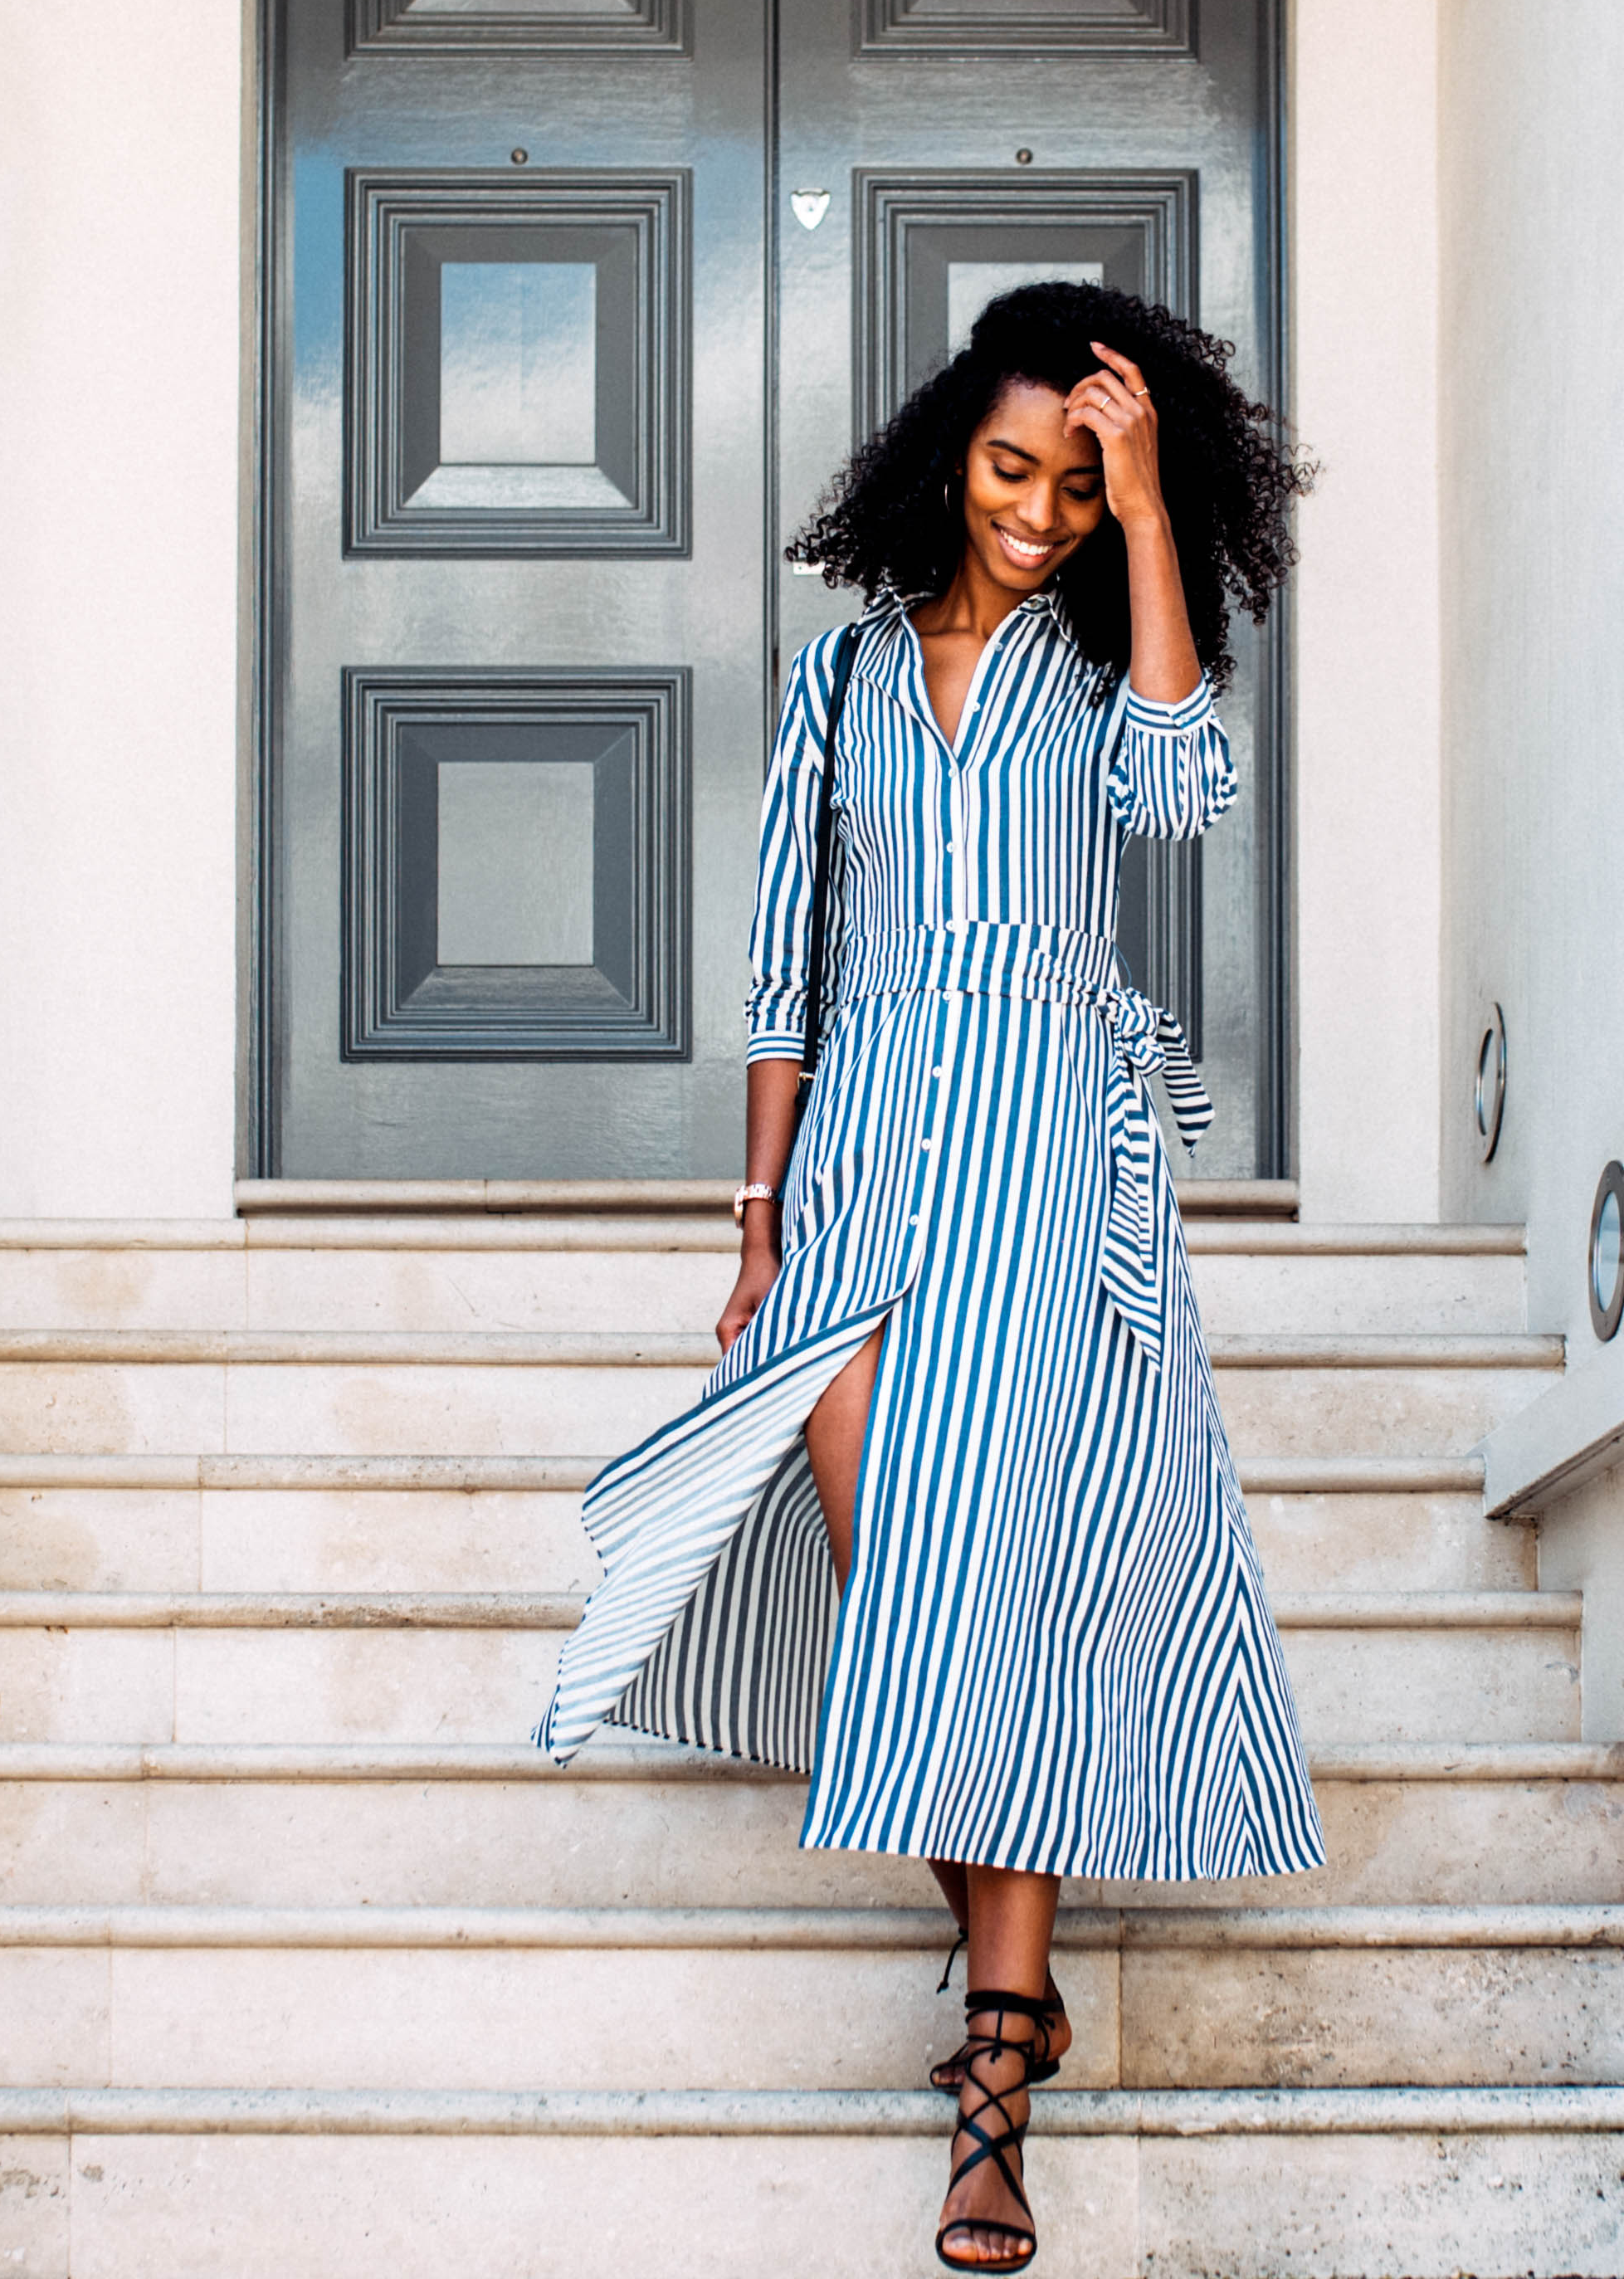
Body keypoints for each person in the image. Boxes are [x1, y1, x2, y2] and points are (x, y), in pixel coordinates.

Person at [534, 280, 1319, 2275]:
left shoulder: (1099, 660)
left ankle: (989, 2099)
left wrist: (1154, 511)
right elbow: (778, 966)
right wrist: (755, 1219)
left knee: (1003, 1589)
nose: (1037, 513)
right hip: (871, 1150)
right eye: (1012, 469)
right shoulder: (838, 682)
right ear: (942, 452)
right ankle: (1012, 1984)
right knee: (904, 1567)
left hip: (1052, 1148)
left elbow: (1184, 792)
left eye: (1078, 485)